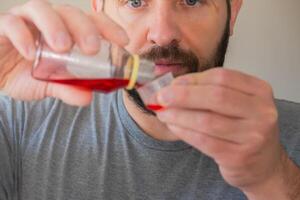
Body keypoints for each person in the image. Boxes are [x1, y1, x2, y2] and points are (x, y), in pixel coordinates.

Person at [0, 0, 299, 199]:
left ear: (232, 14)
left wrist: (274, 180)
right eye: (134, 1)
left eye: (192, 0)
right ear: (99, 8)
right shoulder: (17, 121)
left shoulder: (293, 137)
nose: (163, 34)